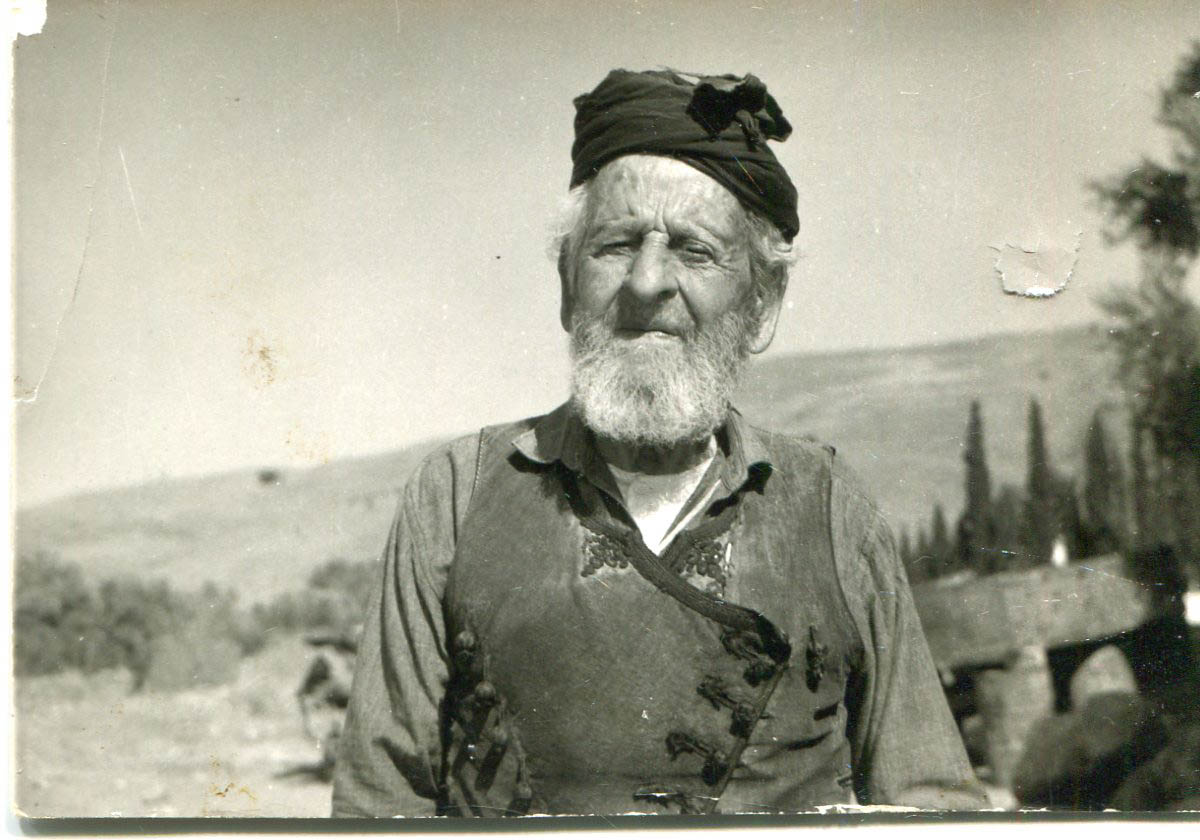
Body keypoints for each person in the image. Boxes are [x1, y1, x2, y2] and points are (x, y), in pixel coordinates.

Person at [331, 68, 988, 817]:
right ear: (566, 284)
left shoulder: (832, 510)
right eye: (615, 245)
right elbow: (376, 813)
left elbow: (937, 806)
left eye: (694, 251)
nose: (646, 283)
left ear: (762, 304)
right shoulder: (455, 498)